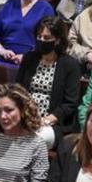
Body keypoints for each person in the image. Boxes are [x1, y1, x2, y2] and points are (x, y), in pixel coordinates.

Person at [15, 17, 81, 147]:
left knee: (32, 141)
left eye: (47, 38)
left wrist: (46, 120)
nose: (41, 41)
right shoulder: (29, 59)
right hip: (25, 117)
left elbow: (69, 104)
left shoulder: (69, 65)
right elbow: (17, 90)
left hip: (52, 123)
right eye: (39, 37)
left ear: (57, 40)